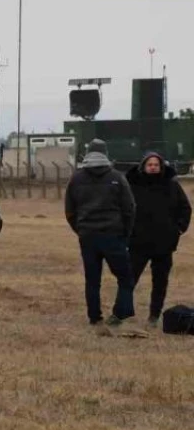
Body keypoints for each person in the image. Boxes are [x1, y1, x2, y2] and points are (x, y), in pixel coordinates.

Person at [66, 140, 136, 332]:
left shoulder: (76, 178)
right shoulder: (117, 177)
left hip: (87, 236)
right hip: (113, 234)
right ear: (106, 153)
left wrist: (80, 229)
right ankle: (120, 313)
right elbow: (129, 208)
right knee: (125, 277)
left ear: (87, 153)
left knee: (92, 279)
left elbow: (70, 211)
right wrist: (125, 234)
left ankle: (94, 317)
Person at [126, 151, 191, 327]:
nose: (153, 167)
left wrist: (177, 229)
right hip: (138, 242)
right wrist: (127, 231)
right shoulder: (133, 186)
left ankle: (154, 316)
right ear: (143, 166)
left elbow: (185, 208)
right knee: (129, 279)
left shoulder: (171, 186)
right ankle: (122, 313)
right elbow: (123, 210)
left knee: (160, 282)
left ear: (161, 167)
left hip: (164, 243)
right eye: (150, 164)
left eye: (156, 164)